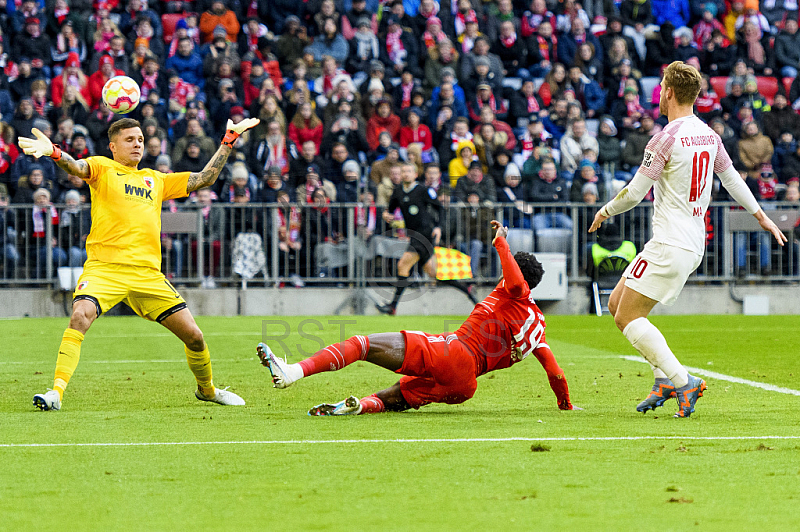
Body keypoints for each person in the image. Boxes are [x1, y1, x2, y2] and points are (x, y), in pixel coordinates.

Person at [20, 115, 260, 411]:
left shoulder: (155, 179)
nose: (137, 144)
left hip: (147, 275)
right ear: (113, 146)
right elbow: (76, 166)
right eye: (130, 140)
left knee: (195, 337)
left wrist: (228, 141)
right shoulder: (102, 168)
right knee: (80, 316)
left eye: (141, 140)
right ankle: (56, 392)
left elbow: (204, 178)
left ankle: (207, 390)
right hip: (105, 269)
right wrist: (55, 152)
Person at [588, 61, 787, 418]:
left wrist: (604, 210)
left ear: (669, 92)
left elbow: (635, 193)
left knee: (625, 317)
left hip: (670, 244)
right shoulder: (710, 135)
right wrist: (761, 215)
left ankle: (682, 381)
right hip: (691, 241)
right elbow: (732, 180)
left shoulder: (665, 137)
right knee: (618, 303)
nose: (659, 94)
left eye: (662, 87)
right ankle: (662, 379)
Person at [256, 220, 578, 415]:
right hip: (465, 387)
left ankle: (292, 372)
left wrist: (501, 243)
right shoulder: (538, 326)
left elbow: (516, 280)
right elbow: (555, 371)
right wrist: (564, 404)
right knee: (402, 393)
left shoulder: (514, 291)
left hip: (456, 354)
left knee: (362, 344)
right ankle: (360, 406)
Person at [375, 162, 476, 315]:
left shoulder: (423, 190)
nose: (406, 174)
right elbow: (389, 211)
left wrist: (438, 227)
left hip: (424, 235)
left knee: (403, 265)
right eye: (403, 171)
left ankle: (392, 306)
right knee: (434, 273)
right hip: (413, 235)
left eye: (409, 171)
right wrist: (386, 215)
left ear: (416, 174)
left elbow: (440, 208)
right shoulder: (398, 192)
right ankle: (466, 288)